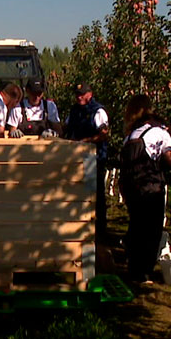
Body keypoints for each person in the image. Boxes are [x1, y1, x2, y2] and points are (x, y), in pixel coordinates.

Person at [118, 94, 171, 284]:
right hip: (151, 188)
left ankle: (134, 269)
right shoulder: (159, 133)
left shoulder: (132, 135)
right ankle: (143, 273)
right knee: (151, 231)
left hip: (131, 188)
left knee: (137, 226)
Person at [64, 83, 110, 237]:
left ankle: (100, 233)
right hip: (75, 160)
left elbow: (104, 134)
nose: (79, 97)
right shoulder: (74, 110)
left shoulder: (98, 111)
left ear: (90, 94)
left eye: (82, 94)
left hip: (94, 160)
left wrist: (87, 141)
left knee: (96, 197)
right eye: (77, 94)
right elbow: (67, 129)